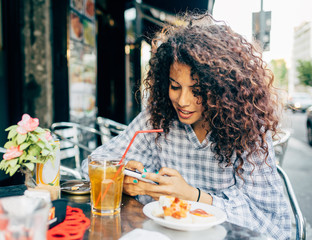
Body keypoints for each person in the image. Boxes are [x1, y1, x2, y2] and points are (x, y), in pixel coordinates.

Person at [81, 12, 291, 239]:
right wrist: (122, 178)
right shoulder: (158, 117)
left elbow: (272, 224)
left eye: (197, 91)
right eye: (175, 86)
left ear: (223, 89)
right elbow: (91, 166)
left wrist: (191, 195)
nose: (182, 101)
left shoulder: (248, 130)